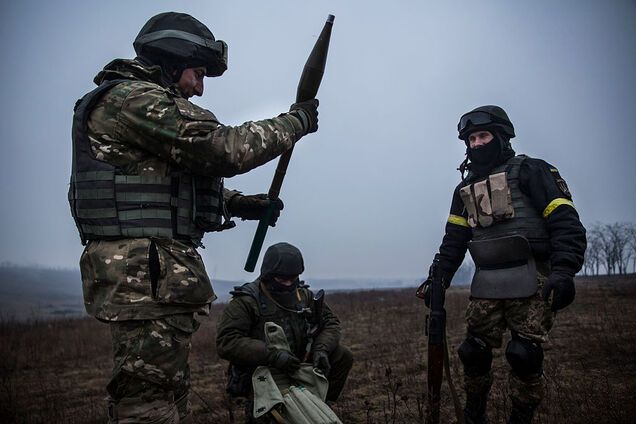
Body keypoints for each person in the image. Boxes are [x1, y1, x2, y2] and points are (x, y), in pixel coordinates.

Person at [68, 12, 319, 423]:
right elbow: (221, 149)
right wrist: (295, 122)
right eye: (198, 73)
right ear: (172, 59)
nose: (199, 88)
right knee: (147, 403)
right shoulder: (133, 99)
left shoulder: (139, 106)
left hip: (154, 278)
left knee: (166, 391)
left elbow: (163, 187)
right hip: (144, 279)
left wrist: (236, 203)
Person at [419, 105, 586, 423]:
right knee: (472, 352)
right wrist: (437, 278)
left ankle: (521, 416)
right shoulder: (463, 190)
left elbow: (566, 222)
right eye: (470, 139)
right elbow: (454, 241)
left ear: (502, 136)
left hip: (531, 277)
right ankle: (474, 414)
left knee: (522, 355)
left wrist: (564, 270)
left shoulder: (532, 171)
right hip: (487, 281)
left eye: (483, 135)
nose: (477, 144)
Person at [216, 242, 353, 422]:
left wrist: (321, 349)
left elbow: (331, 323)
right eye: (282, 279)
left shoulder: (304, 296)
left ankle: (318, 403)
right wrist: (273, 355)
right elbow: (227, 342)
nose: (289, 284)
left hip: (299, 362)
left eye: (293, 278)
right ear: (268, 275)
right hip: (263, 369)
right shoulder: (247, 301)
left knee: (342, 355)